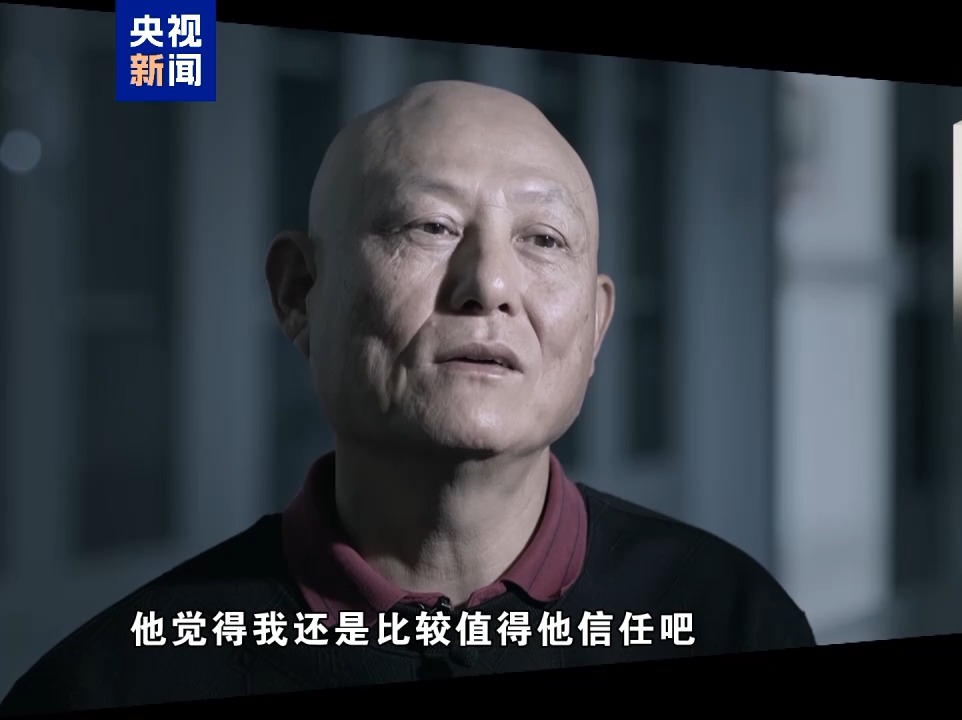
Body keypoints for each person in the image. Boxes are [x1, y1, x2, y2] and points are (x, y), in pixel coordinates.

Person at [0, 80, 814, 715]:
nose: (489, 285)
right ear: (299, 292)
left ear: (597, 325)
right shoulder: (113, 680)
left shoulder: (731, 620)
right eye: (430, 226)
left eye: (542, 239)